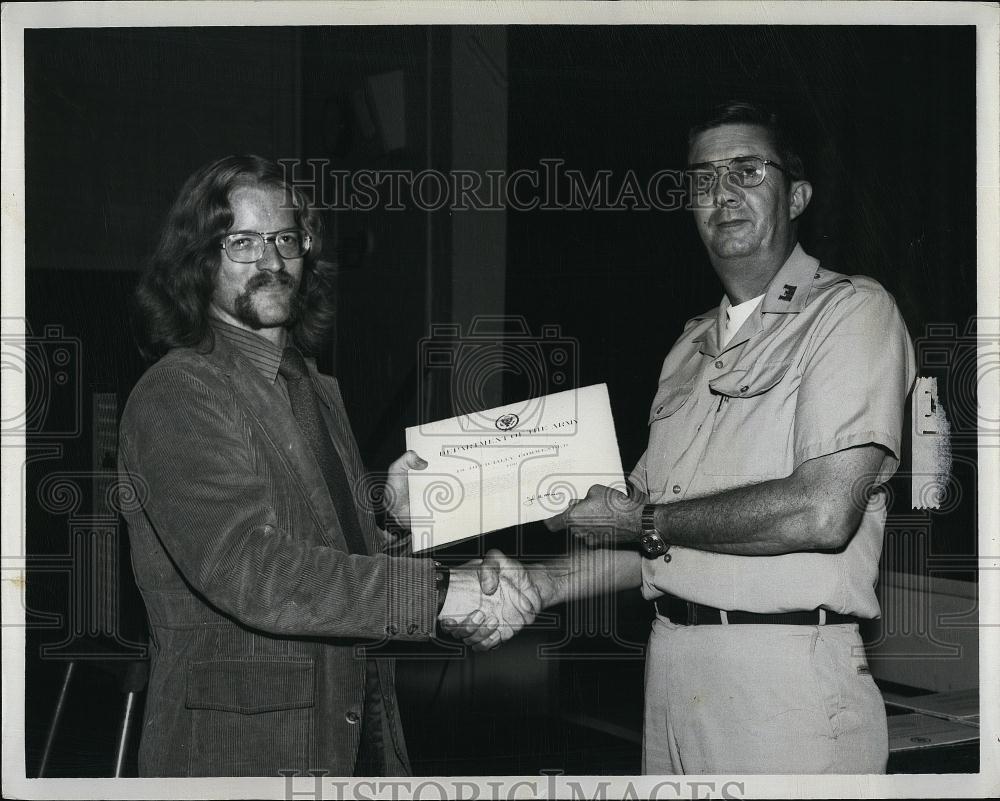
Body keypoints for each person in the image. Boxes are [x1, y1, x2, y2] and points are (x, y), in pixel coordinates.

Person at [460, 101, 916, 774]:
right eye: (703, 178)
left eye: (747, 170)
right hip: (672, 670)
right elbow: (654, 543)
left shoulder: (850, 313)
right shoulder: (688, 348)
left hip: (785, 684)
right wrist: (535, 583)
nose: (722, 191)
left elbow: (822, 510)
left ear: (797, 196)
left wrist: (638, 518)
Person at [118, 155, 538, 777]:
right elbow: (249, 568)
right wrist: (440, 594)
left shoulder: (311, 387)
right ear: (198, 260)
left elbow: (333, 562)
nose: (270, 261)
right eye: (242, 242)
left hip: (353, 729)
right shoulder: (179, 392)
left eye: (285, 239)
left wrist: (391, 523)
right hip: (243, 755)